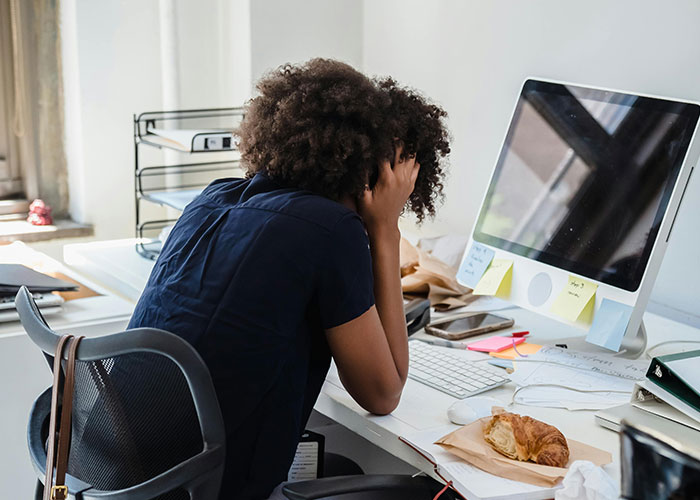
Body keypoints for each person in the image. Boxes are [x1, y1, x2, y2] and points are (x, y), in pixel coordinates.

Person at [128, 58, 450, 499]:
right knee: (426, 492)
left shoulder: (213, 199)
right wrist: (386, 228)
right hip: (217, 485)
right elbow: (383, 393)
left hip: (141, 475)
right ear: (373, 174)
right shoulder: (332, 229)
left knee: (342, 466)